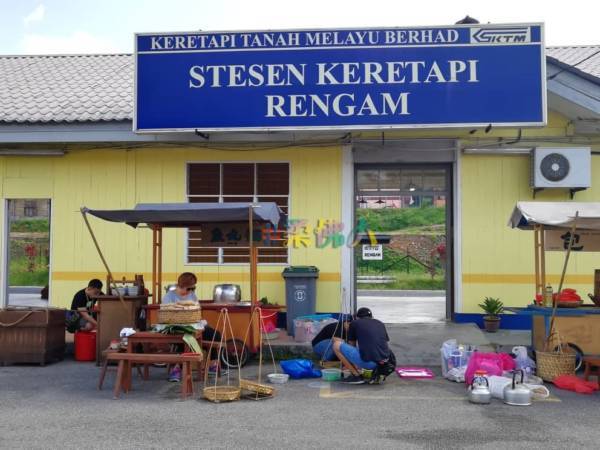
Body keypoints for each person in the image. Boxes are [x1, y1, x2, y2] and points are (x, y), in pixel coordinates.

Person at [333, 307, 395, 385]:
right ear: (372, 317)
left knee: (336, 345)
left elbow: (352, 345)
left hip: (370, 364)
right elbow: (384, 344)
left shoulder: (355, 323)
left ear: (357, 317)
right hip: (385, 363)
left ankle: (356, 376)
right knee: (369, 348)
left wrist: (354, 364)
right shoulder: (380, 323)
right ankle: (377, 372)